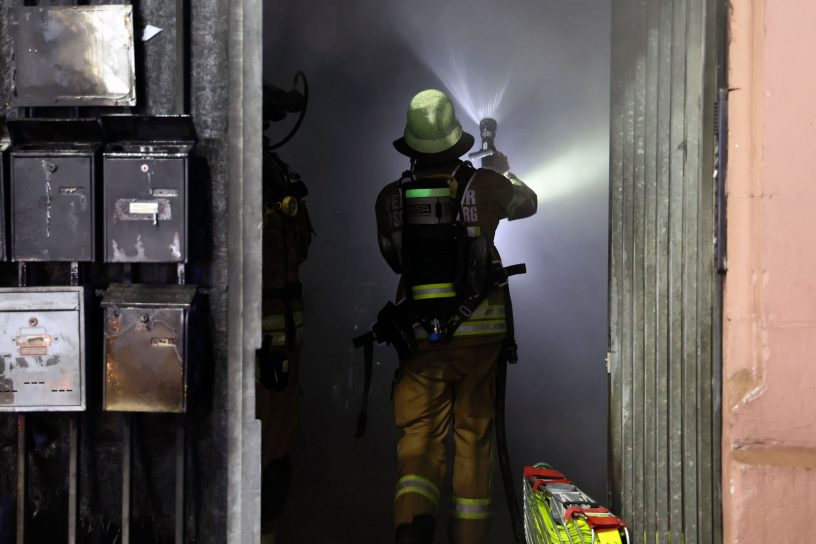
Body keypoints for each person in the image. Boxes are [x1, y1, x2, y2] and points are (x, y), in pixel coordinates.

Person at [375, 89, 537, 544]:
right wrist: (501, 171)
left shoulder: (389, 199)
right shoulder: (485, 185)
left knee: (419, 445)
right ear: (456, 142)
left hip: (419, 341)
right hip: (480, 342)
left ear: (411, 146)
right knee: (473, 444)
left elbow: (394, 260)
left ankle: (411, 529)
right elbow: (529, 202)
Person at [256, 129, 313, 543]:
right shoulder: (276, 174)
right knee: (272, 449)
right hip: (275, 340)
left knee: (271, 450)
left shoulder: (264, 173)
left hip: (272, 339)